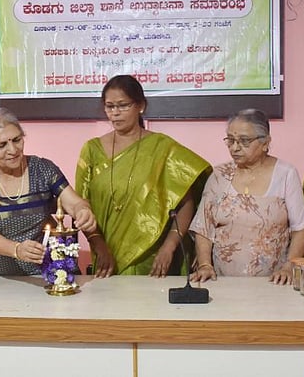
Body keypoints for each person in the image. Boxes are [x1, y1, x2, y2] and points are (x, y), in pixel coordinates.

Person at [76, 75, 211, 277]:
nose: (115, 113)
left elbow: (186, 202)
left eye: (123, 105)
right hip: (107, 259)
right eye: (109, 106)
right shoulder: (92, 150)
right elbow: (82, 205)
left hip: (153, 261)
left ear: (140, 106)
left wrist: (169, 247)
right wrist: (99, 246)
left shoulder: (163, 148)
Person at [0, 107, 99, 275]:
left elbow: (73, 202)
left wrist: (83, 211)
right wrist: (17, 249)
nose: (12, 150)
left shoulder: (42, 169)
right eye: (1, 145)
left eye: (17, 140)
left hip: (43, 274)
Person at [189, 109, 304, 284]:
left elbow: (300, 229)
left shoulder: (285, 174)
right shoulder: (219, 175)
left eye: (244, 141)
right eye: (230, 140)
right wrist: (205, 265)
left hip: (274, 282)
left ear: (265, 142)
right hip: (222, 281)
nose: (235, 148)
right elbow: (203, 228)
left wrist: (289, 266)